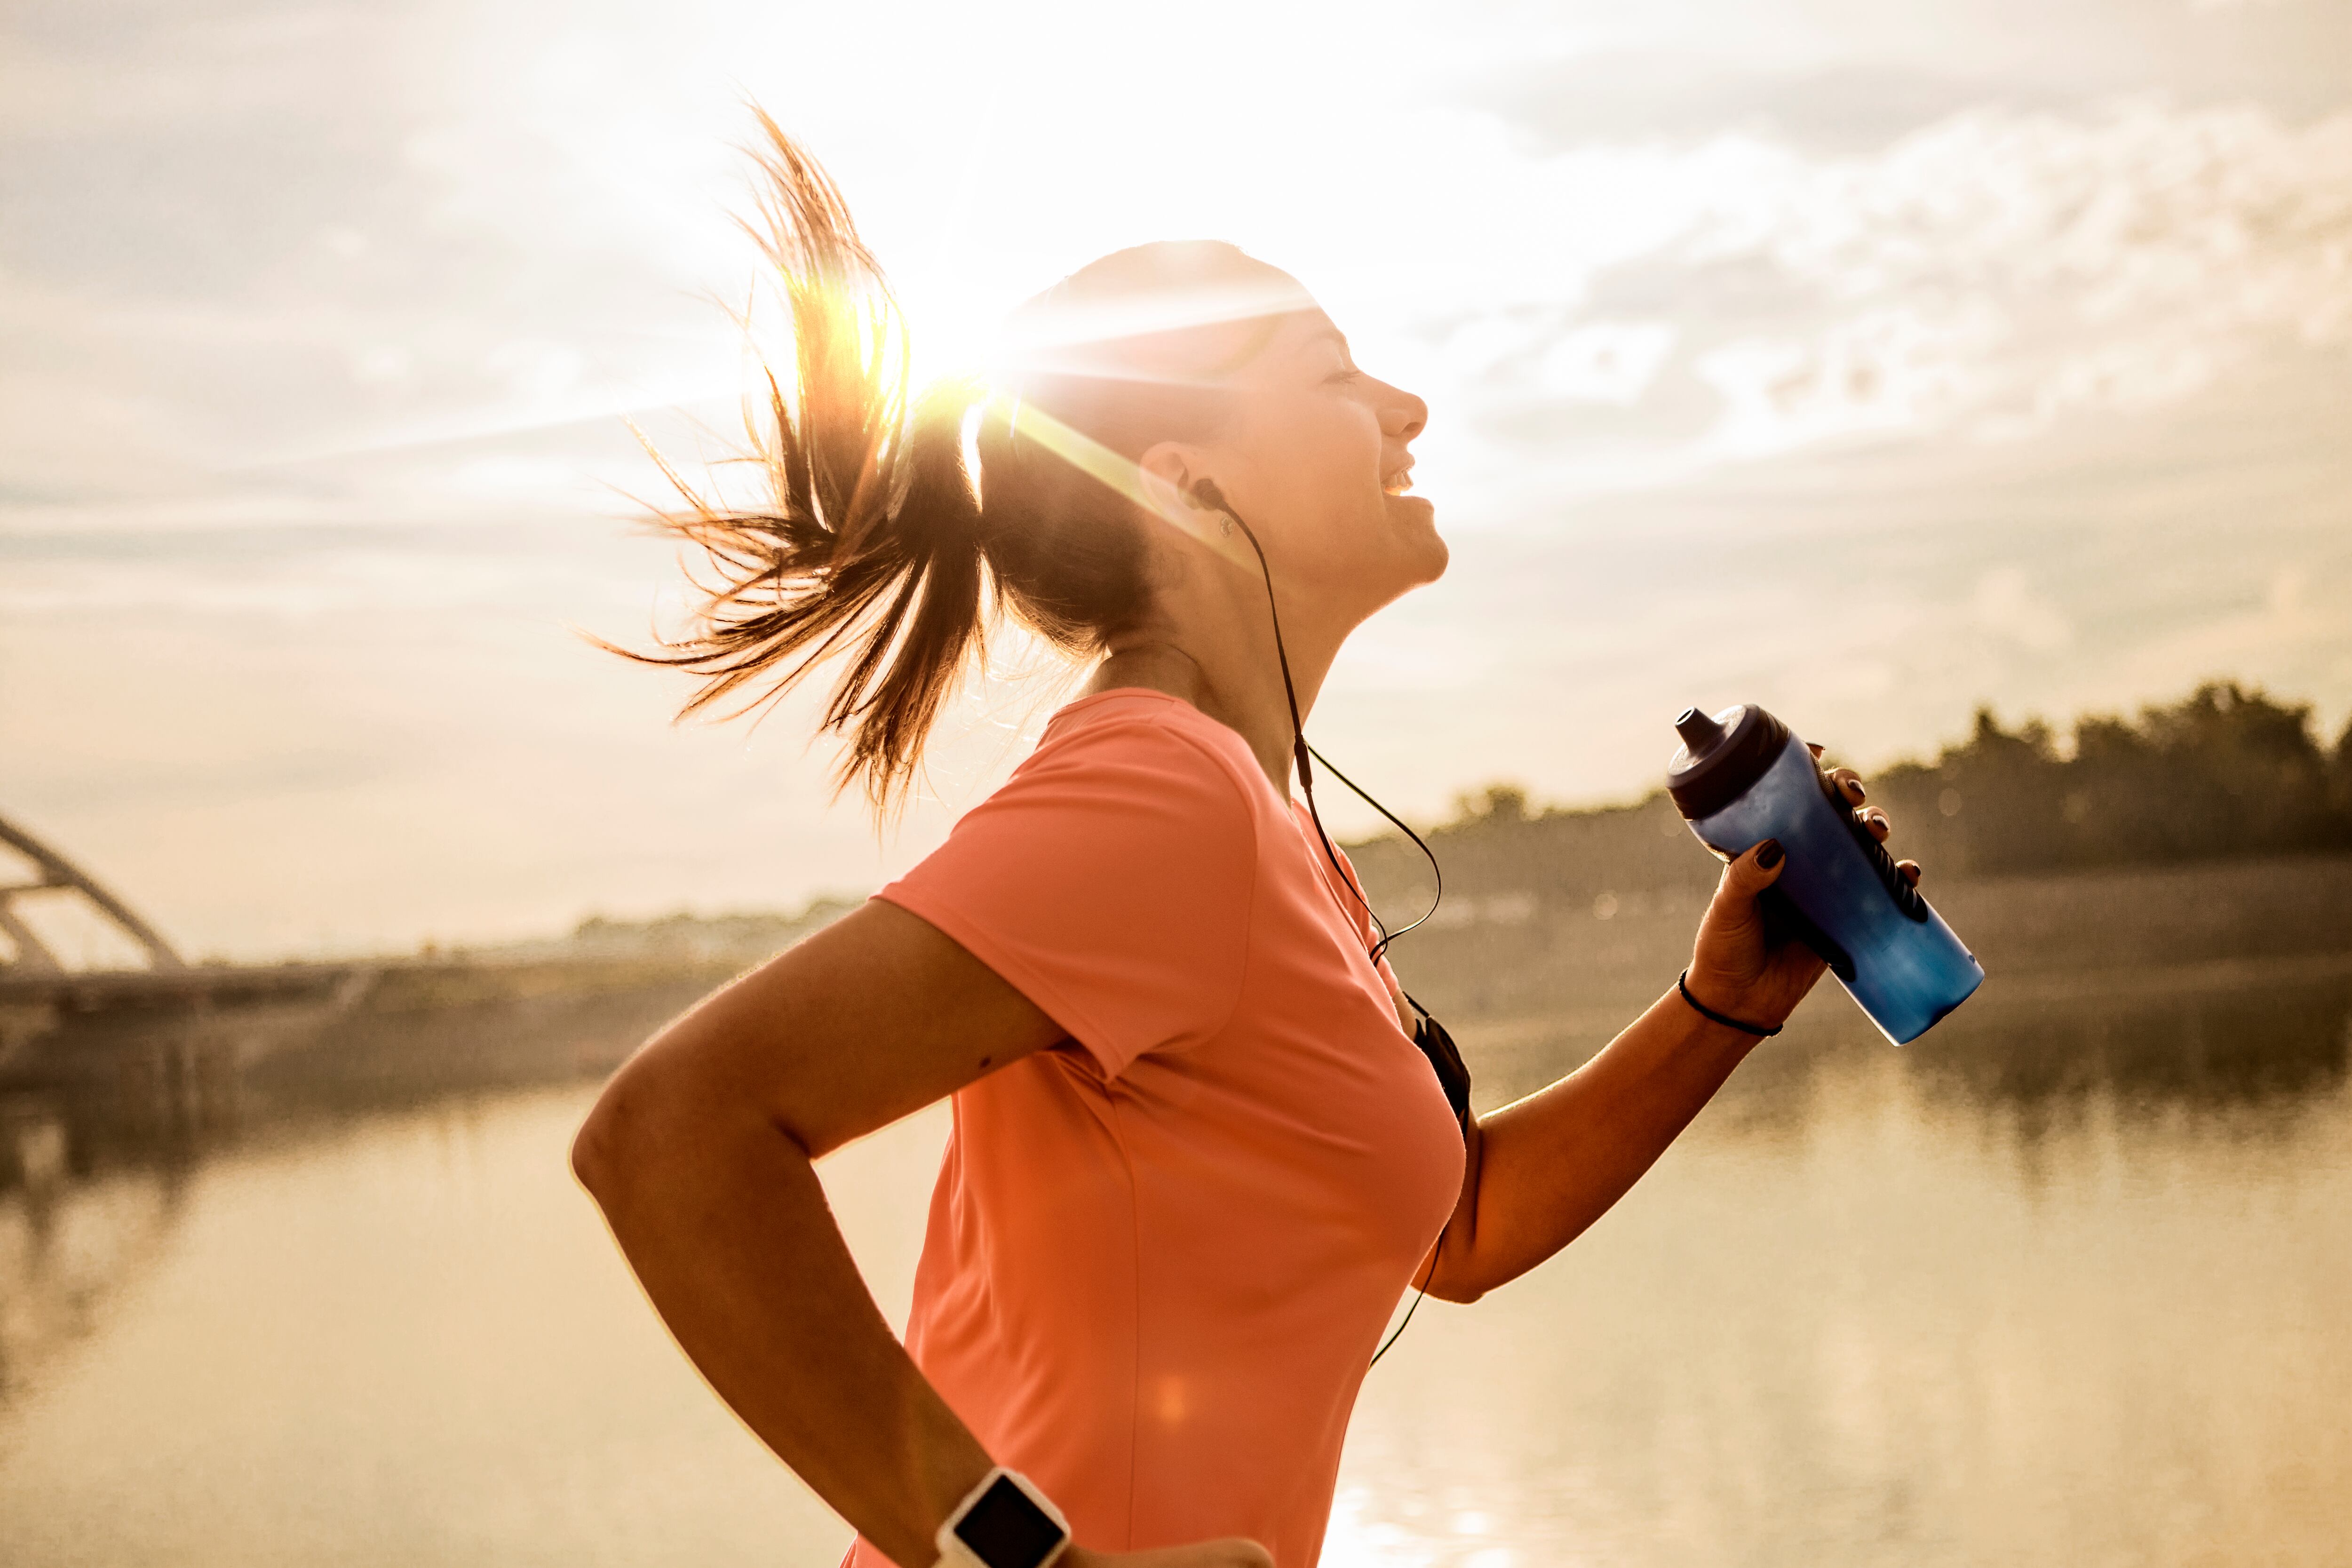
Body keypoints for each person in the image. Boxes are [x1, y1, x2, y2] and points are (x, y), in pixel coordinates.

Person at [569, 114, 1920, 1568]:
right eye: (1337, 376)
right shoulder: (1162, 799)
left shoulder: (1259, 822)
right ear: (1185, 479)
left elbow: (1453, 1231)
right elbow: (672, 1136)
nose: (1407, 407)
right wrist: (1019, 1563)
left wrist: (1722, 1004)